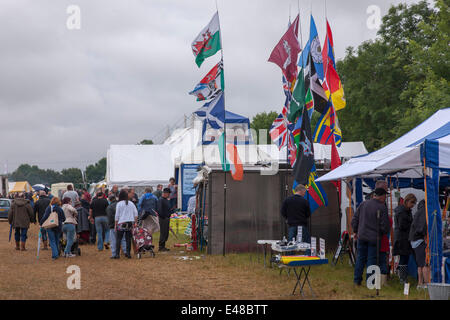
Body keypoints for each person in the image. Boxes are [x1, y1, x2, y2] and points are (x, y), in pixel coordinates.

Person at [352, 188, 391, 286]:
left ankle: (357, 280)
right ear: (381, 196)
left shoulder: (363, 204)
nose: (385, 198)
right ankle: (370, 282)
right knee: (371, 260)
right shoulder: (382, 207)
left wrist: (355, 231)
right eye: (385, 196)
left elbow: (355, 219)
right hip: (374, 238)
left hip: (362, 236)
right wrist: (383, 233)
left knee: (360, 258)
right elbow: (385, 226)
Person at [393, 193, 417, 283]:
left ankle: (402, 275)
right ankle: (402, 278)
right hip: (402, 238)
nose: (412, 205)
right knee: (403, 257)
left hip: (405, 237)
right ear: (407, 201)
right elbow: (402, 225)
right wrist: (412, 225)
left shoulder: (407, 211)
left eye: (414, 203)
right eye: (412, 203)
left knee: (405, 257)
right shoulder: (401, 212)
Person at [409, 199, 430, 289]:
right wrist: (425, 235)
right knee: (425, 264)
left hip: (414, 240)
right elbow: (422, 227)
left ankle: (420, 283)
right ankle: (426, 284)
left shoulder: (418, 211)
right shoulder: (424, 212)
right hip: (419, 240)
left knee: (420, 264)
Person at [113, 190, 138, 259]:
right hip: (130, 222)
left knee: (118, 239)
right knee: (128, 239)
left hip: (121, 222)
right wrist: (135, 222)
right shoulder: (131, 203)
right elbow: (136, 213)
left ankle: (117, 254)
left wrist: (115, 224)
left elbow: (117, 215)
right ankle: (128, 253)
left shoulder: (119, 204)